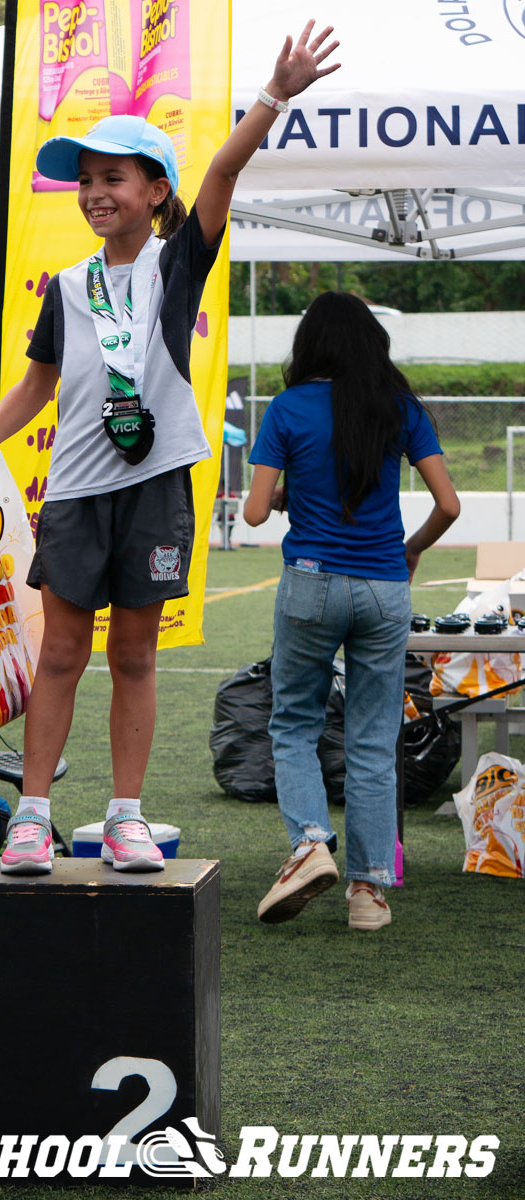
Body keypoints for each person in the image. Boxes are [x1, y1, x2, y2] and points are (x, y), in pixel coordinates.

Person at [0, 21, 340, 875]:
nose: (93, 193)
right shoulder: (70, 287)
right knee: (63, 652)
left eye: (111, 178)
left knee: (135, 653)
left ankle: (125, 817)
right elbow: (37, 385)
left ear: (156, 191)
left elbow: (223, 170)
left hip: (156, 484)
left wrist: (275, 95)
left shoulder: (178, 263)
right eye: (85, 182)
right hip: (75, 491)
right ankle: (33, 817)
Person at [244, 291, 460, 929]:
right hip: (384, 587)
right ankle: (369, 893)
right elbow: (447, 504)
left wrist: (287, 493)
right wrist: (412, 549)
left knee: (293, 726)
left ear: (310, 345)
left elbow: (254, 511)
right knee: (372, 740)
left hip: (310, 583)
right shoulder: (399, 409)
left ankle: (310, 843)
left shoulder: (287, 408)